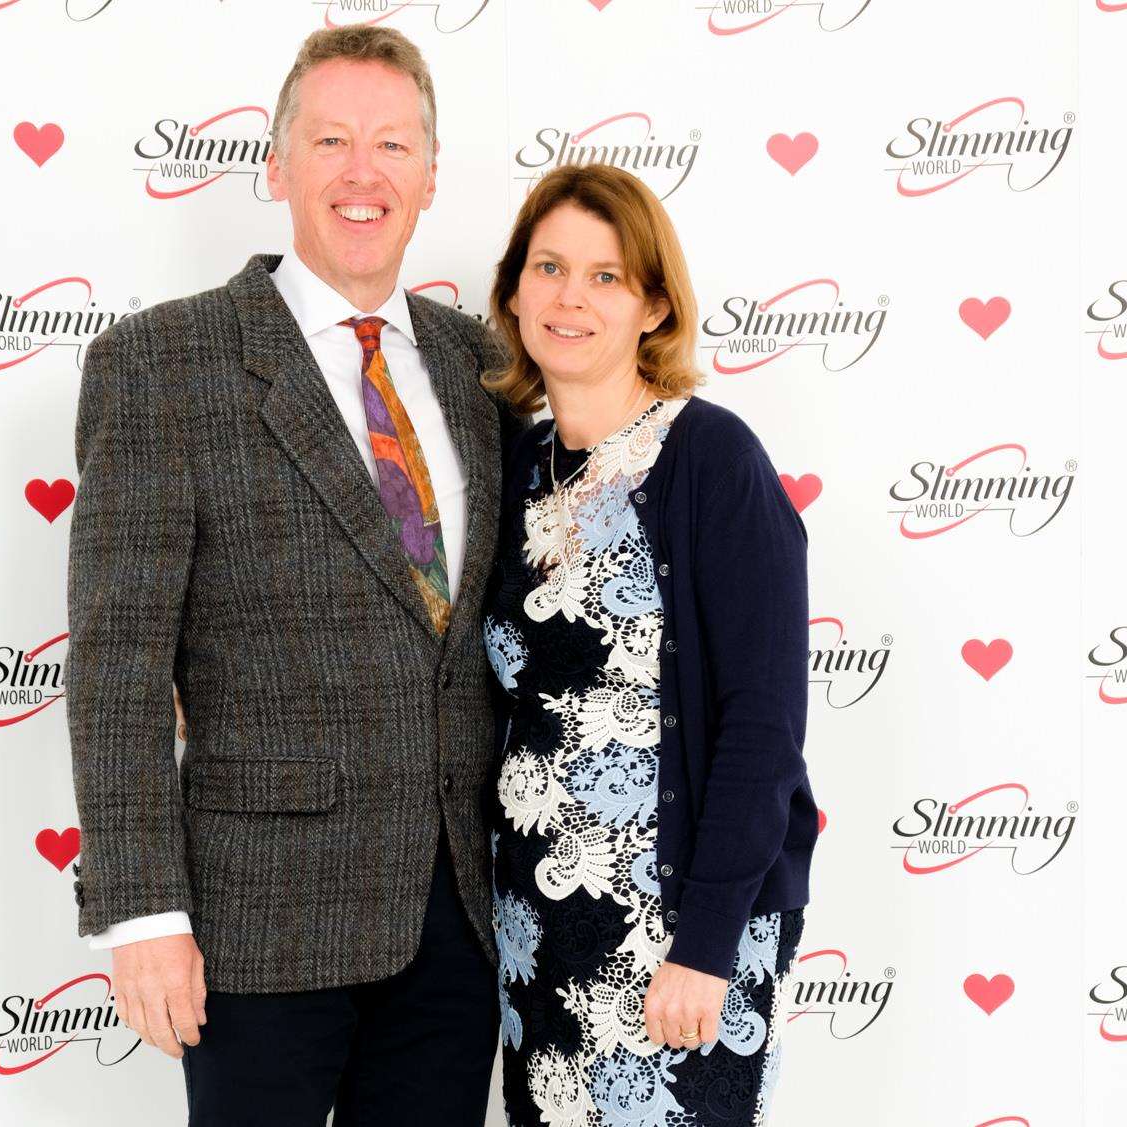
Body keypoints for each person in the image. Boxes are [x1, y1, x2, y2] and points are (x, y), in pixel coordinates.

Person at [64, 25, 522, 1126]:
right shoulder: (163, 363)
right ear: (276, 166)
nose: (362, 172)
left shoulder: (481, 367)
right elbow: (118, 662)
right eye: (330, 141)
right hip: (256, 920)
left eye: (391, 145)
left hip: (455, 920)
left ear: (427, 174)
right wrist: (142, 915)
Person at [479, 163, 819, 1126]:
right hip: (536, 932)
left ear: (655, 307)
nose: (569, 297)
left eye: (606, 276)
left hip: (677, 931)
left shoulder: (710, 457)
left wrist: (706, 944)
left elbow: (762, 723)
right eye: (548, 267)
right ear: (512, 290)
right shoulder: (511, 469)